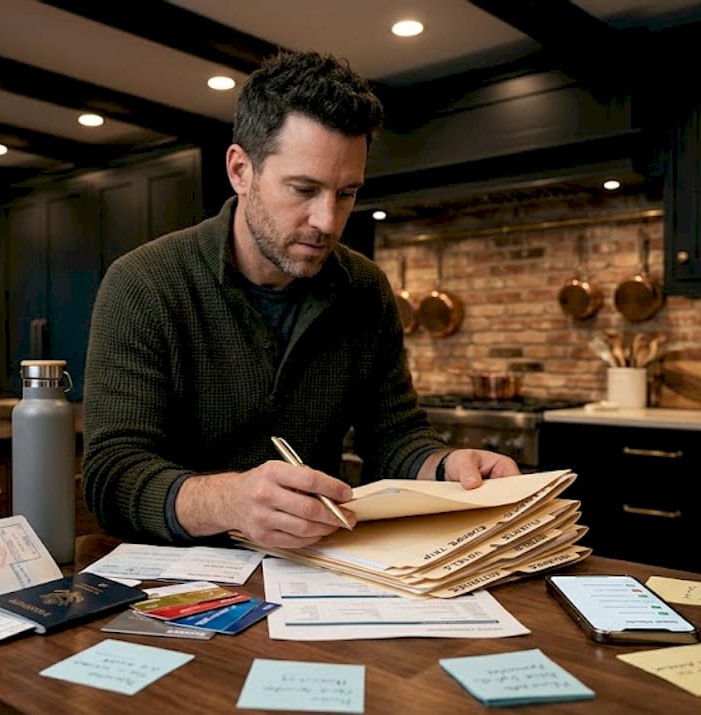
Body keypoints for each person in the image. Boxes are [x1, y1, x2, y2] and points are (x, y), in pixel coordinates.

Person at [81, 49, 518, 549]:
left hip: (318, 572)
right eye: (303, 189)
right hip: (176, 584)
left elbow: (394, 440)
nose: (327, 222)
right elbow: (112, 479)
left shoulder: (366, 290)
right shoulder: (144, 284)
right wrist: (231, 501)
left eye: (346, 193)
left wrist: (447, 468)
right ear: (241, 170)